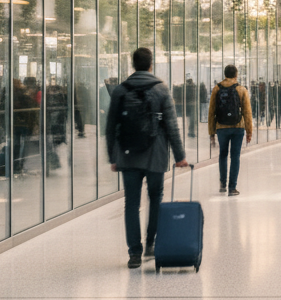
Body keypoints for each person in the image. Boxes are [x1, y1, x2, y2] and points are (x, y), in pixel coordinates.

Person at [106, 47, 188, 269]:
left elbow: (111, 125)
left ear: (133, 65)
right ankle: (151, 243)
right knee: (155, 198)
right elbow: (171, 124)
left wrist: (112, 156)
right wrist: (180, 156)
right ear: (151, 64)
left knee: (131, 203)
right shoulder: (161, 89)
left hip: (128, 154)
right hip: (155, 153)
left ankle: (134, 253)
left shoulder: (120, 90)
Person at [207, 64, 252, 196]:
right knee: (235, 156)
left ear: (225, 74)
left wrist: (211, 132)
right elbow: (247, 112)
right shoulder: (241, 89)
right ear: (236, 75)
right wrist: (249, 131)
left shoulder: (217, 89)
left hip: (221, 127)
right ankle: (232, 188)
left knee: (223, 155)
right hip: (238, 127)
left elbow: (211, 112)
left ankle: (222, 184)